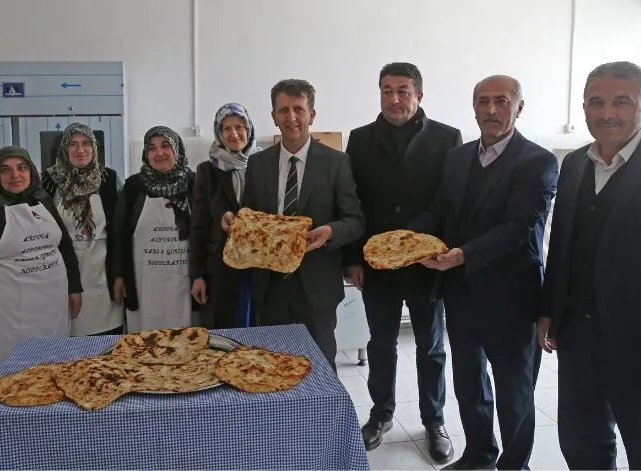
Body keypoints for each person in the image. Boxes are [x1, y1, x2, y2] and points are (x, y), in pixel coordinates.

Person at [410, 75, 558, 470]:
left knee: (515, 391)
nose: (491, 110)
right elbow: (442, 210)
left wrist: (462, 255)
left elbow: (518, 228)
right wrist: (409, 239)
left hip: (513, 298)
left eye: (502, 101)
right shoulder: (458, 157)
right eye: (483, 101)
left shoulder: (538, 162)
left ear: (519, 107)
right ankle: (479, 454)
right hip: (460, 293)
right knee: (469, 382)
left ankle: (514, 465)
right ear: (473, 106)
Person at [538, 61, 641, 470]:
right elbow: (562, 244)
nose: (607, 112)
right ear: (584, 108)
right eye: (596, 102)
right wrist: (550, 309)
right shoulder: (575, 164)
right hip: (579, 338)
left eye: (622, 101)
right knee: (582, 441)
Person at [344, 62, 461, 460]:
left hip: (428, 265)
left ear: (419, 95)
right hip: (376, 267)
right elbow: (352, 203)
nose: (394, 99)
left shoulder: (448, 138)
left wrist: (412, 242)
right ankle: (380, 415)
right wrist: (353, 258)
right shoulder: (359, 140)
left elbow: (450, 201)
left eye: (403, 90)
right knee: (380, 345)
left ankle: (434, 420)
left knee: (430, 347)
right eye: (386, 90)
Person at [222, 79, 365, 370]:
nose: (291, 118)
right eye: (283, 110)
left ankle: (323, 418)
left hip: (317, 287)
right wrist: (236, 223)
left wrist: (330, 233)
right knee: (272, 368)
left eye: (298, 109)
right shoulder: (258, 164)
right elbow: (251, 217)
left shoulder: (336, 163)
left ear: (312, 114)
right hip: (269, 288)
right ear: (273, 116)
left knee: (321, 370)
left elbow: (355, 220)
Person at [0, 146, 83, 383]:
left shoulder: (43, 201)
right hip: (4, 317)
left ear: (31, 171)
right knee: (7, 379)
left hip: (50, 311)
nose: (15, 175)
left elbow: (63, 246)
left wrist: (74, 288)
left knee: (49, 374)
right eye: (5, 170)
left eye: (21, 168)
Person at [112, 126, 197, 332]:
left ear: (177, 149)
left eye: (166, 146)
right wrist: (119, 275)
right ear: (145, 154)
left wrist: (202, 277)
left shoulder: (194, 183)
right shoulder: (133, 186)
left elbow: (204, 233)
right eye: (152, 148)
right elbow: (119, 234)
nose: (159, 153)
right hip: (144, 284)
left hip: (185, 282)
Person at [43, 123, 123, 336]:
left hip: (102, 276)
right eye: (73, 144)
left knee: (105, 345)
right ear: (64, 149)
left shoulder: (110, 180)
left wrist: (119, 275)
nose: (80, 150)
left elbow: (119, 232)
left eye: (86, 143)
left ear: (94, 147)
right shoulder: (49, 182)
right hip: (63, 274)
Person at [190, 103, 261, 329]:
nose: (234, 134)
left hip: (259, 265)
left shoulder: (264, 165)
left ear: (249, 129)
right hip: (220, 267)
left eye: (239, 127)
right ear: (218, 133)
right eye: (226, 128)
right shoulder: (207, 171)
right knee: (223, 332)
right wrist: (197, 275)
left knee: (258, 331)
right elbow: (199, 225)